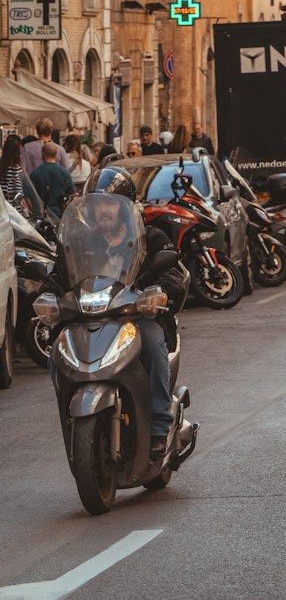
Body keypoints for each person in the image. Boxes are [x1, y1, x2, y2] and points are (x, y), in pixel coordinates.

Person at [49, 168, 187, 460]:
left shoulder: (150, 236)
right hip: (90, 318)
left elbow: (173, 272)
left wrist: (160, 291)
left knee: (151, 342)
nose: (103, 210)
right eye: (97, 205)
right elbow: (58, 274)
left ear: (125, 206)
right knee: (57, 352)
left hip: (137, 317)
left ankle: (160, 425)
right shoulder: (83, 240)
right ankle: (71, 420)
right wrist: (46, 296)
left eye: (110, 203)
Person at [28, 142, 76, 221]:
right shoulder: (65, 172)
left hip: (42, 217)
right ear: (56, 154)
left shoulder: (35, 173)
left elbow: (30, 198)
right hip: (60, 215)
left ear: (42, 153)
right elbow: (71, 194)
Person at [0, 133, 42, 218]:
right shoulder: (16, 170)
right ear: (17, 153)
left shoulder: (2, 168)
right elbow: (20, 192)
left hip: (2, 210)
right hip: (14, 212)